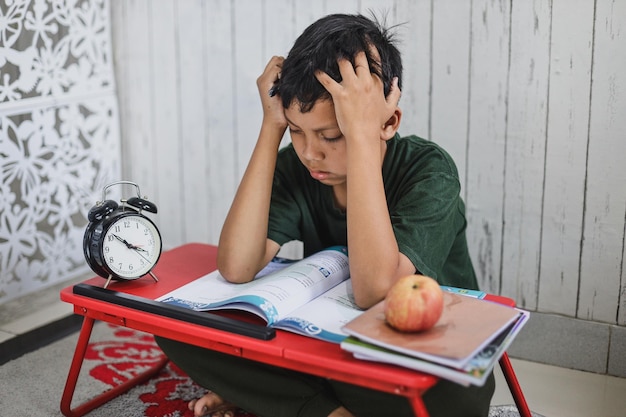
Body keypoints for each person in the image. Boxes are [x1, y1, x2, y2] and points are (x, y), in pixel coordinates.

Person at [156, 13, 495, 417]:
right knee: (174, 329)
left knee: (453, 400)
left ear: (388, 121)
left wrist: (363, 137)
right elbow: (236, 266)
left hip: (420, 359)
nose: (310, 152)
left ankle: (284, 400)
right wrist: (270, 128)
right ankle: (323, 408)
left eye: (332, 136)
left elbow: (374, 293)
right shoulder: (297, 168)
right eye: (297, 131)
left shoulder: (430, 170)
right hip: (330, 348)